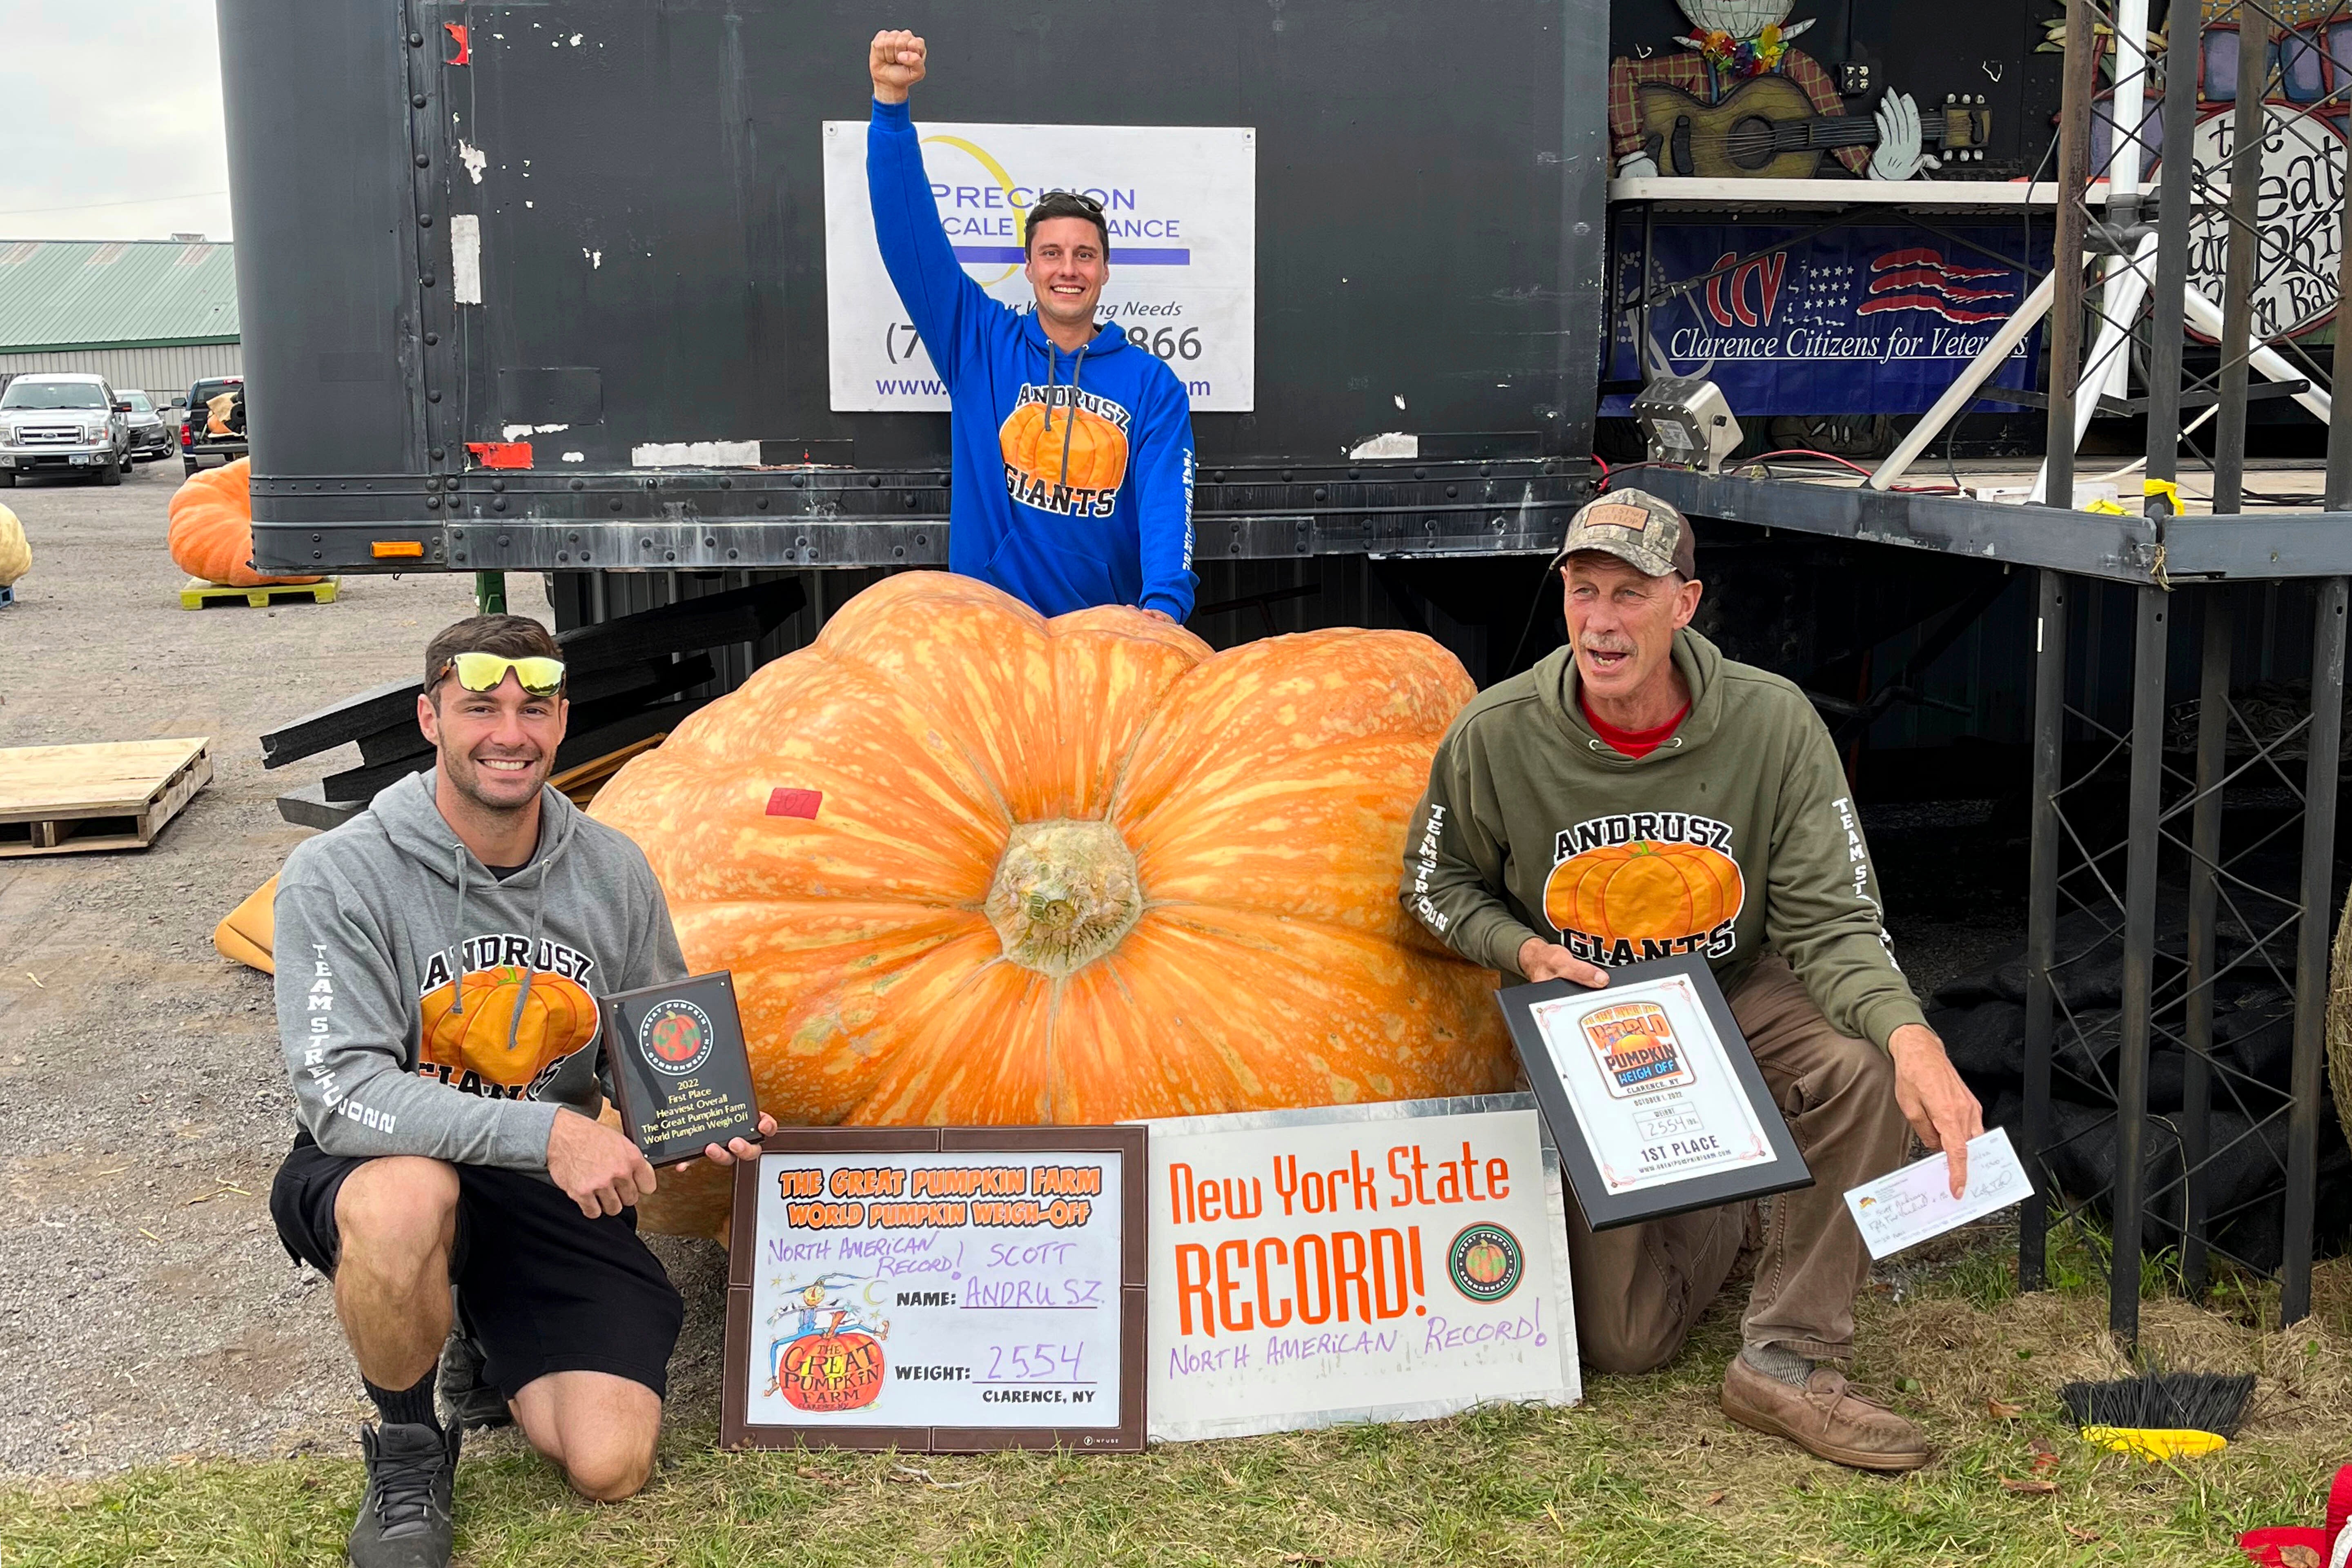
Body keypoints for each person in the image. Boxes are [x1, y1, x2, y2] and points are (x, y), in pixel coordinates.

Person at [1399, 489, 1983, 1472]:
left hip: (1736, 987)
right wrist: (1521, 949)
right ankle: (1732, 1204)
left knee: (1860, 1067)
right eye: (1584, 591)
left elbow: (1834, 921)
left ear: (1686, 603)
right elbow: (1431, 885)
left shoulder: (1772, 724)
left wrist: (1910, 1038)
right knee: (1628, 1341)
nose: (1601, 620)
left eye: (1631, 594)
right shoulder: (1497, 734)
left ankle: (1789, 1355)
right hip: (1589, 1014)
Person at [266, 615, 775, 1568]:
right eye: (480, 708)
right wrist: (547, 1133)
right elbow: (339, 1090)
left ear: (562, 719)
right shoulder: (339, 874)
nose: (511, 733)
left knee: (611, 1461)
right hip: (391, 1153)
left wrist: (700, 1109)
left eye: (534, 709)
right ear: (429, 719)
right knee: (408, 1199)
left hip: (548, 1185)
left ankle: (477, 1326)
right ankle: (411, 1449)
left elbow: (646, 1044)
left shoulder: (610, 869)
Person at [866, 28, 1197, 623]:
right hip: (991, 629)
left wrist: (1165, 606)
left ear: (1104, 271)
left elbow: (1166, 502)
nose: (1067, 270)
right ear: (1027, 267)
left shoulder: (1153, 386)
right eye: (1051, 254)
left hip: (1099, 640)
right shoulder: (978, 343)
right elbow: (910, 240)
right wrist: (891, 110)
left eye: (1084, 255)